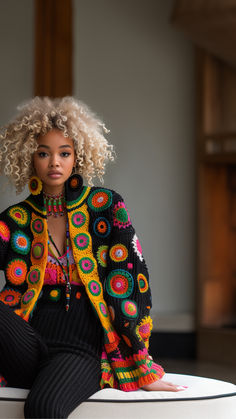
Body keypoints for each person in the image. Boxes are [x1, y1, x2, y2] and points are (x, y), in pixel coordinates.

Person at [0, 97, 184, 419]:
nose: (54, 162)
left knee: (43, 408)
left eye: (64, 153)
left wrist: (141, 363)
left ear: (77, 157)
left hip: (79, 348)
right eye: (43, 152)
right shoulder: (14, 219)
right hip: (26, 344)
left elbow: (129, 284)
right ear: (29, 157)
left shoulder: (106, 206)